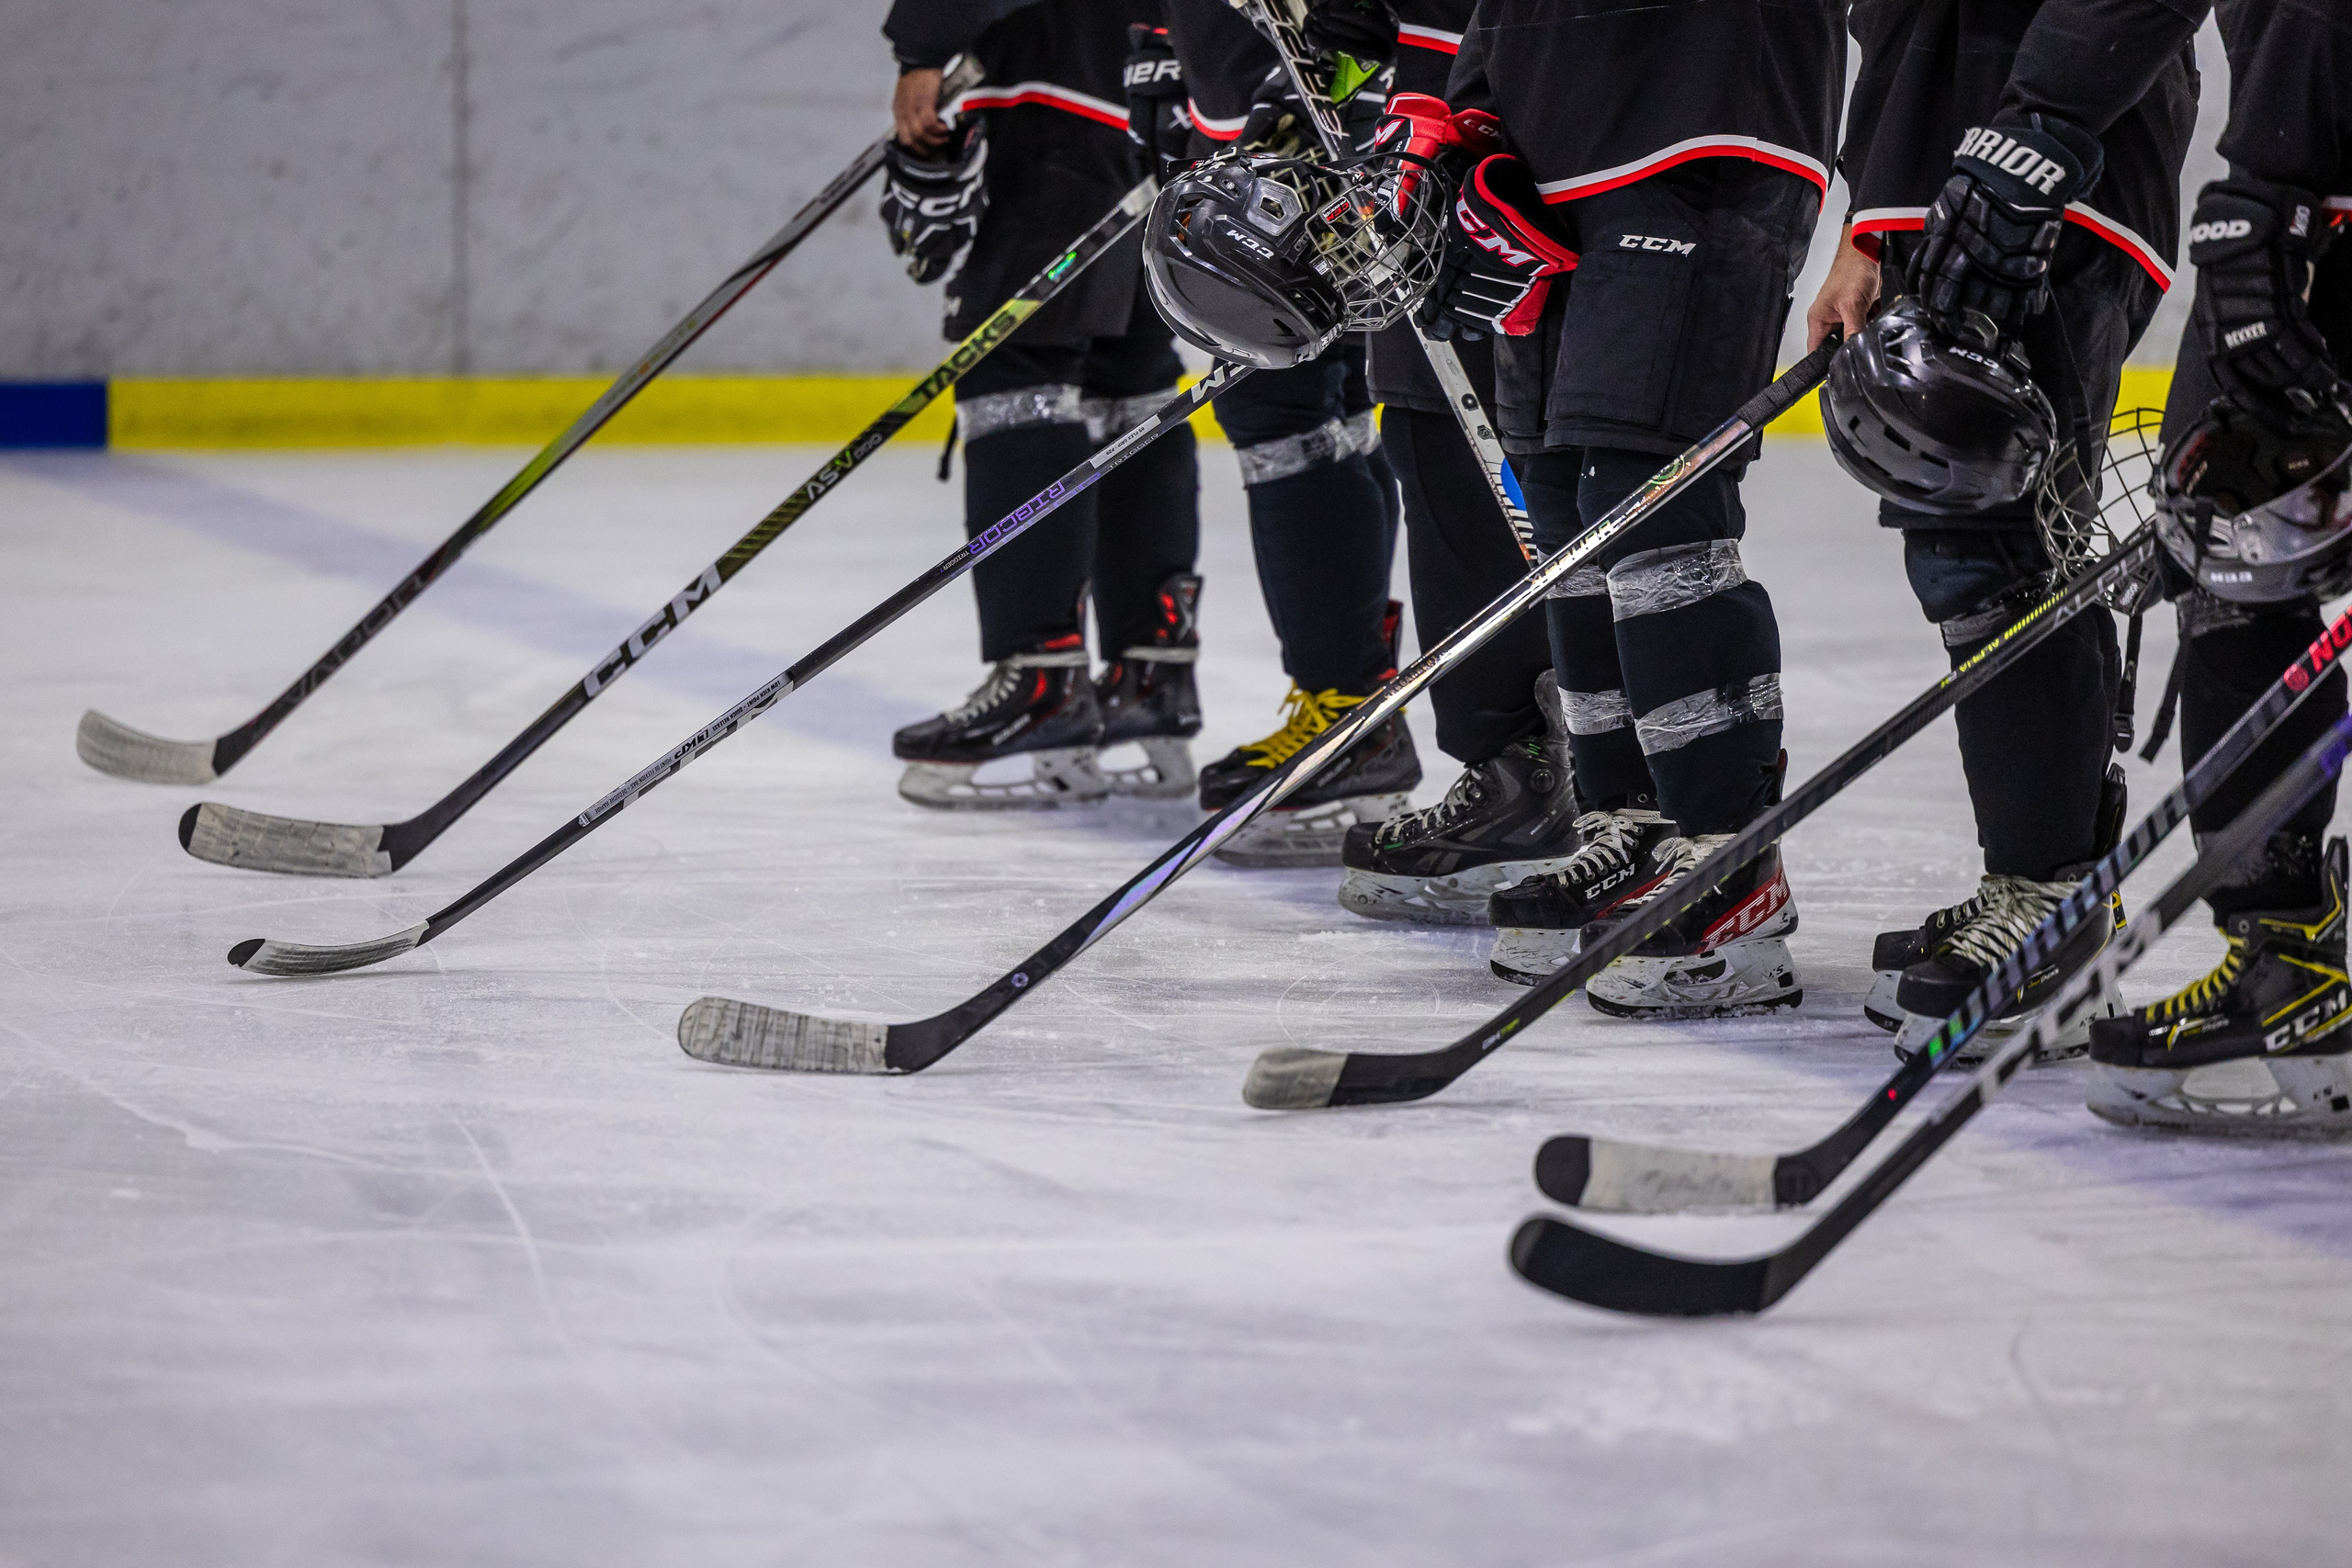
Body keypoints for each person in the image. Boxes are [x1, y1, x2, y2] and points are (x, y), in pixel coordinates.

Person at [1399, 0, 1843, 1017]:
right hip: (1539, 152)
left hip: (1702, 132)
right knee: (1564, 516)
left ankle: (1728, 861)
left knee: (1648, 506)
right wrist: (1461, 117)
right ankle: (1629, 824)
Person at [1808, 0, 2200, 1055]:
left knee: (2003, 539)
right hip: (1947, 180)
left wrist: (2035, 141)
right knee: (1957, 540)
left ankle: (2051, 898)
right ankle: (2034, 878)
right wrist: (1869, 220)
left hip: (2058, 172)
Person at [2087, 0, 2352, 1136]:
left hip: (2297, 193)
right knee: (2234, 553)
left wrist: (2269, 181)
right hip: (2302, 201)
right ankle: (2289, 968)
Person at [1295, 1, 1585, 930]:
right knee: (1427, 424)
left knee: (1548, 449)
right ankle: (1511, 766)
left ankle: (1579, 772)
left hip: (1530, 129)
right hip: (1420, 134)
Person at [881, 0, 1206, 810]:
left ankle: (1041, 680)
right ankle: (1149, 680)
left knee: (1014, 363)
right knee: (1126, 375)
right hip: (1160, 96)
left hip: (1056, 89)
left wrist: (923, 45)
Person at [1138, 0, 1421, 866]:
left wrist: (1331, 69)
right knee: (1313, 406)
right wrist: (1153, 50)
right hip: (1243, 114)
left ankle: (1350, 712)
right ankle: (1353, 707)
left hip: (1332, 112)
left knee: (1292, 403)